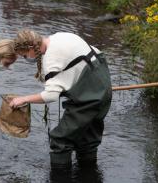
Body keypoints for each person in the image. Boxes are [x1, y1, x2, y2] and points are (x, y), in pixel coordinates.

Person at [9, 30, 112, 168]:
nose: (26, 58)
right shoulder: (60, 36)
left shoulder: (50, 59)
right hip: (104, 87)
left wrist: (24, 99)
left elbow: (50, 96)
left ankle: (60, 176)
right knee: (88, 139)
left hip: (88, 99)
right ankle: (89, 173)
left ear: (31, 48)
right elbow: (91, 54)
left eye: (25, 55)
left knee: (60, 140)